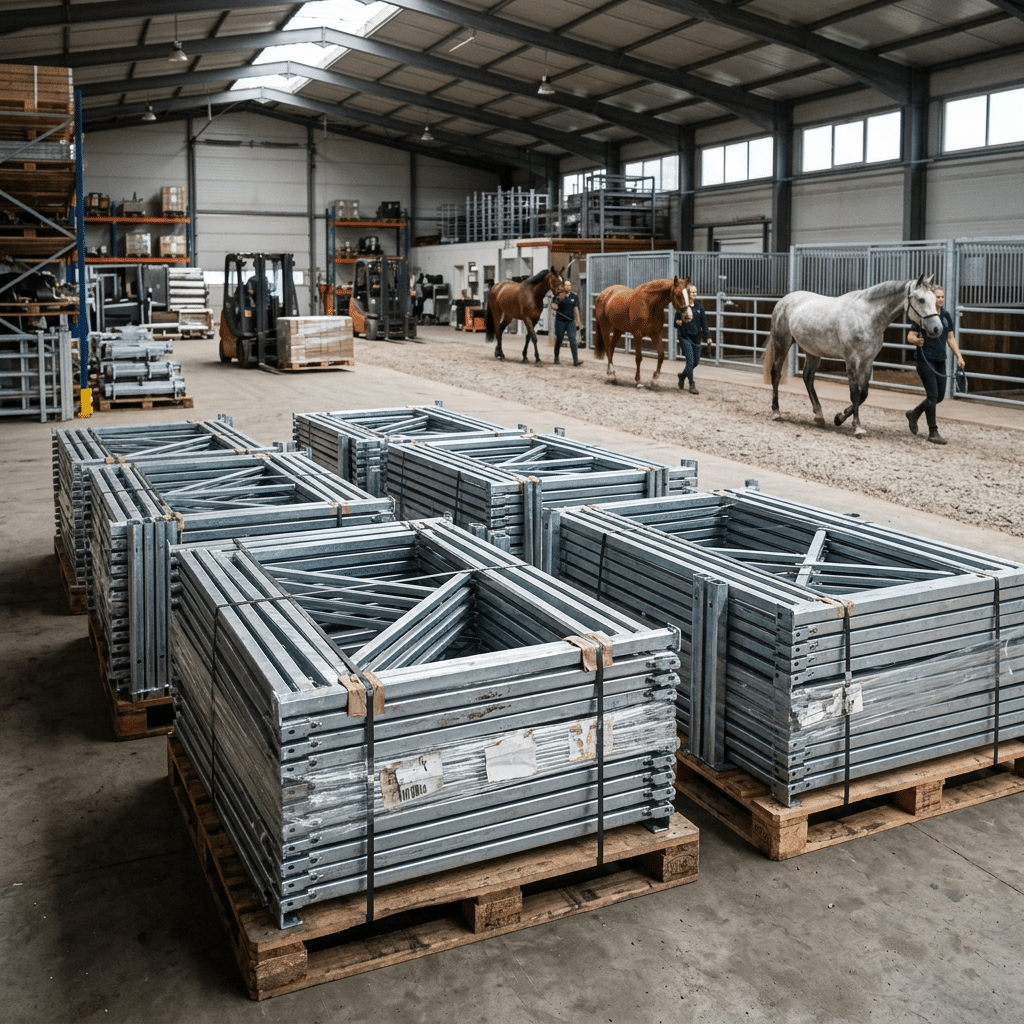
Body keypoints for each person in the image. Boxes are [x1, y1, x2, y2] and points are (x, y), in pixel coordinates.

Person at [905, 284, 965, 445]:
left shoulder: (945, 316)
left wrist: (959, 355)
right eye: (937, 297)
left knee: (938, 397)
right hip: (925, 360)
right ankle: (933, 431)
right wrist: (916, 340)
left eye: (942, 297)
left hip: (940, 360)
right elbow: (910, 336)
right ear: (932, 298)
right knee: (932, 395)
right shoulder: (924, 315)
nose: (940, 300)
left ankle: (915, 413)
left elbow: (950, 338)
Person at [676, 284, 710, 394]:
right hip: (685, 337)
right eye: (692, 292)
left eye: (696, 292)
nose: (694, 294)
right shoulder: (682, 307)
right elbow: (675, 322)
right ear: (688, 294)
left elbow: (704, 323)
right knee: (690, 362)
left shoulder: (700, 308)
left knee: (696, 362)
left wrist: (707, 336)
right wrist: (678, 322)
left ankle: (682, 376)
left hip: (696, 337)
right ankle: (692, 384)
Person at [551, 280, 582, 366]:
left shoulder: (574, 296)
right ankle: (556, 357)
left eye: (569, 285)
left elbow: (576, 309)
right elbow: (553, 304)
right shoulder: (558, 295)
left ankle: (575, 360)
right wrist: (553, 306)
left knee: (573, 340)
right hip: (560, 321)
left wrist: (578, 321)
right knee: (559, 339)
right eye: (566, 285)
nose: (568, 287)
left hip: (570, 321)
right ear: (563, 286)